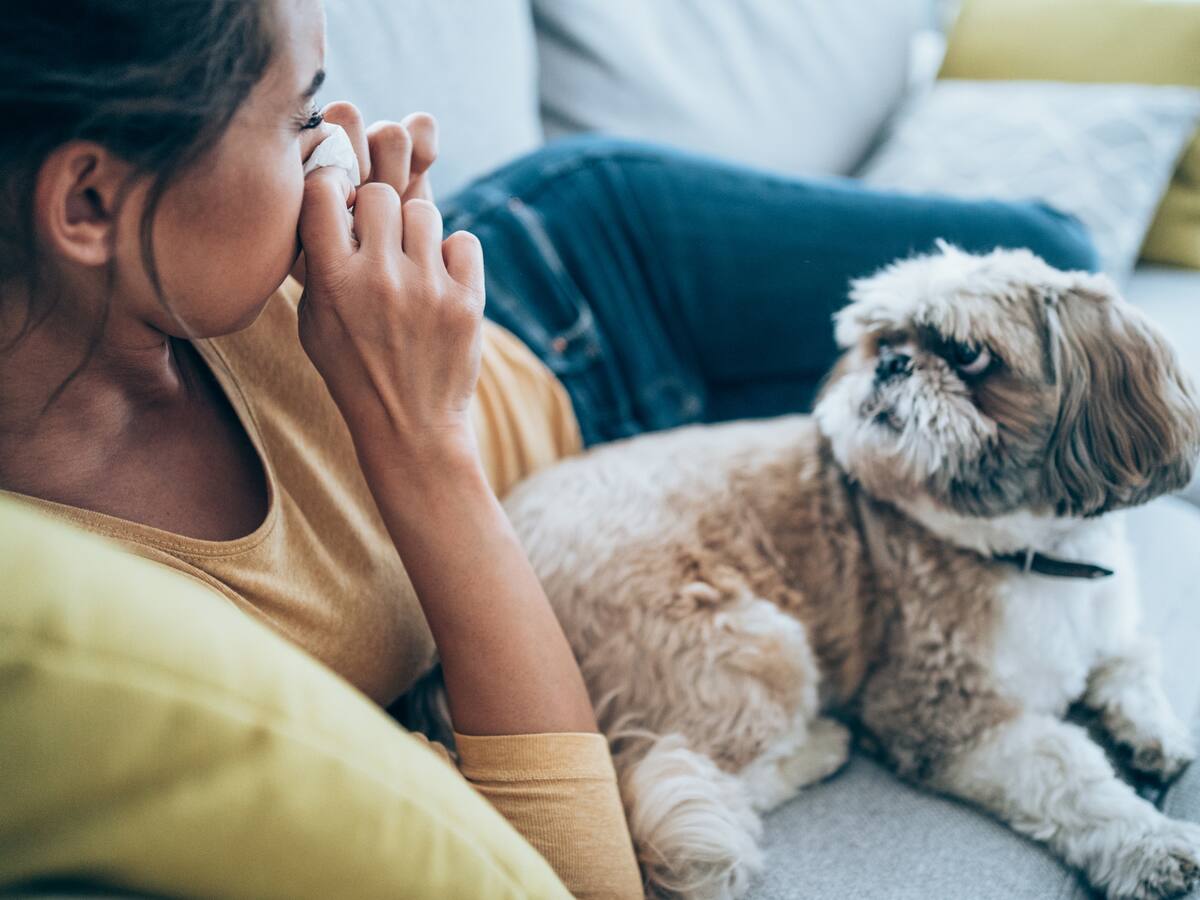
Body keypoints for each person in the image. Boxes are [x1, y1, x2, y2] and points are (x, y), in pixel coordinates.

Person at [0, 1, 1098, 897]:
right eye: (300, 122)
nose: (338, 150)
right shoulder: (103, 613)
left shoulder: (187, 282)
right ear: (90, 202)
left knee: (1055, 288)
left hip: (587, 268)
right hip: (631, 503)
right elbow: (576, 877)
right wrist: (420, 438)